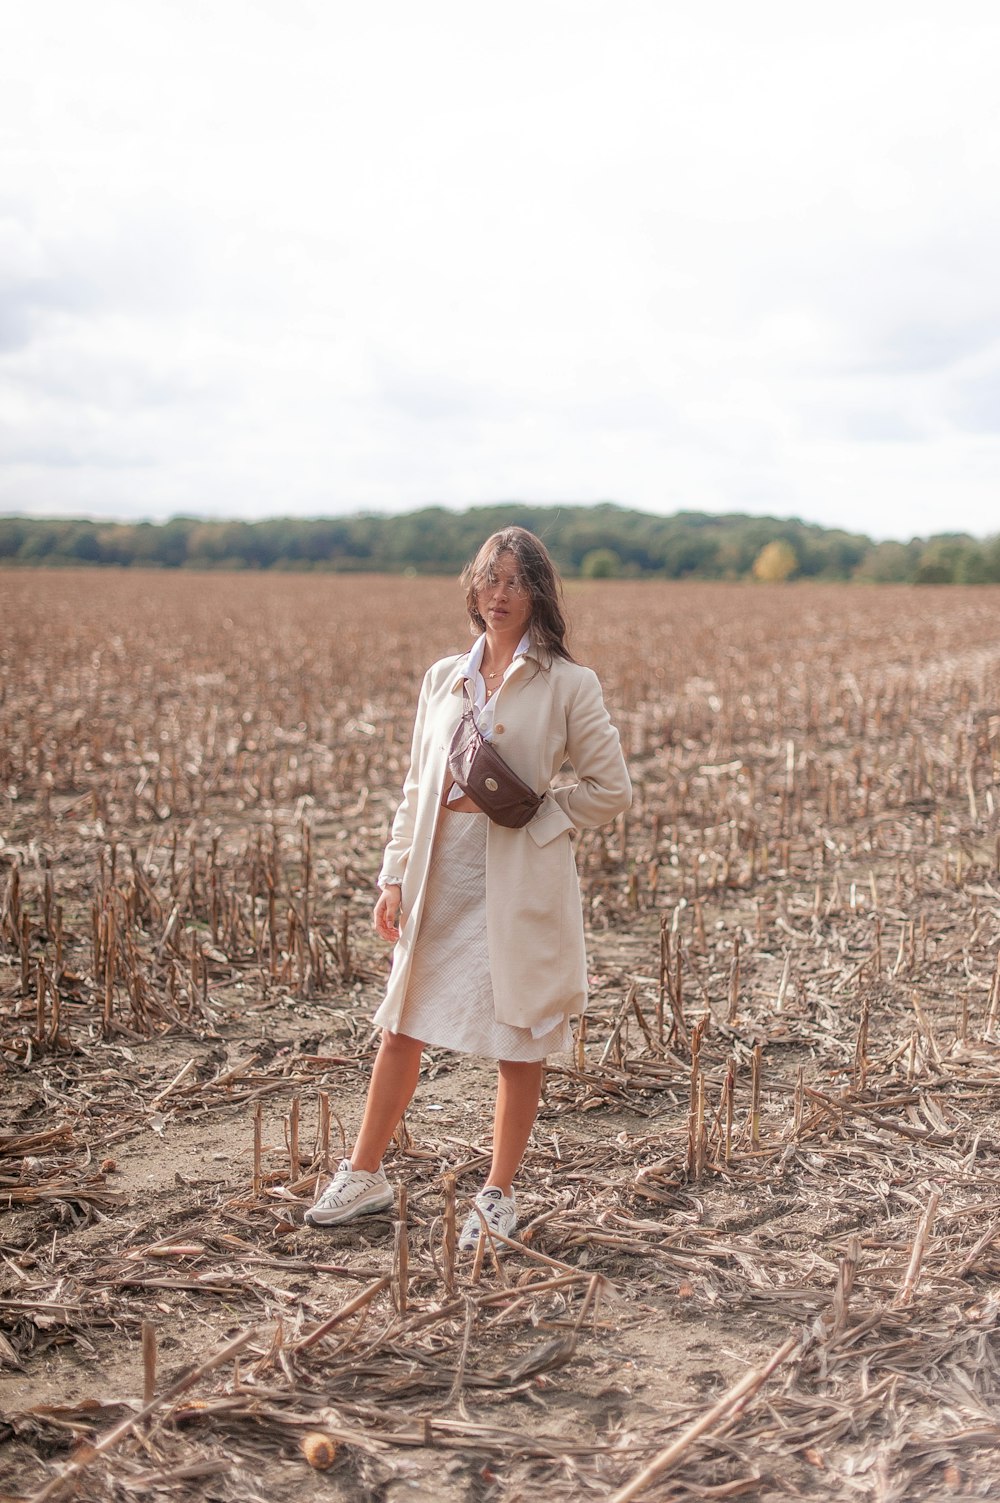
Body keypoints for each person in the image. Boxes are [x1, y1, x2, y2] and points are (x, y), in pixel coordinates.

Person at [305, 526, 631, 1250]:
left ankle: (497, 1194)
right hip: (439, 871)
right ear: (473, 588)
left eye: (516, 582)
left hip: (518, 879)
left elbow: (611, 790)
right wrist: (393, 873)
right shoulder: (443, 677)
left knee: (519, 1034)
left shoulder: (569, 684)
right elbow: (419, 785)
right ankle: (364, 1174)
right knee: (402, 1023)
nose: (500, 595)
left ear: (539, 593)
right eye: (490, 580)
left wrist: (542, 818)